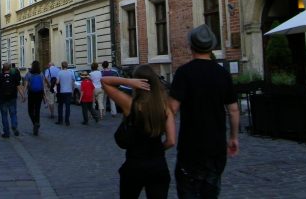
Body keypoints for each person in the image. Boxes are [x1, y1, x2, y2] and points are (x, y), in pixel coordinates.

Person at [169, 24, 239, 198]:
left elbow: (172, 109)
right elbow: (234, 110)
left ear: (191, 46)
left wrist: (169, 137)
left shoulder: (184, 73)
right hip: (215, 147)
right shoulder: (223, 74)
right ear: (212, 46)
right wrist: (233, 137)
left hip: (190, 147)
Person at [102, 64, 176, 199]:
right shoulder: (165, 106)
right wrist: (158, 150)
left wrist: (128, 82)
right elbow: (171, 141)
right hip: (158, 165)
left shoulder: (131, 104)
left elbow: (105, 81)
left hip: (134, 164)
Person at [0, 63, 25, 138]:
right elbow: (18, 87)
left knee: (4, 115)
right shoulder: (13, 76)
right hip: (12, 98)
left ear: (3, 68)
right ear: (9, 69)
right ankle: (14, 125)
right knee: (13, 113)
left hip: (3, 98)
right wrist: (23, 96)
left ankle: (6, 133)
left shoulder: (0, 76)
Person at [23, 60, 46, 136]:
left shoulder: (29, 74)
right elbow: (43, 86)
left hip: (32, 94)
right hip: (39, 93)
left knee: (30, 110)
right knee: (37, 110)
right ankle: (37, 124)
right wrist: (44, 96)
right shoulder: (41, 74)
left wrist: (24, 95)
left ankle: (35, 123)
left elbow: (26, 85)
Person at [56, 61, 75, 126]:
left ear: (62, 66)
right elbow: (73, 81)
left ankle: (60, 120)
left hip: (62, 91)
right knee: (67, 106)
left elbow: (57, 82)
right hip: (69, 91)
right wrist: (72, 89)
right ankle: (67, 121)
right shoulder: (70, 73)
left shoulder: (59, 73)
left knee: (60, 106)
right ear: (67, 66)